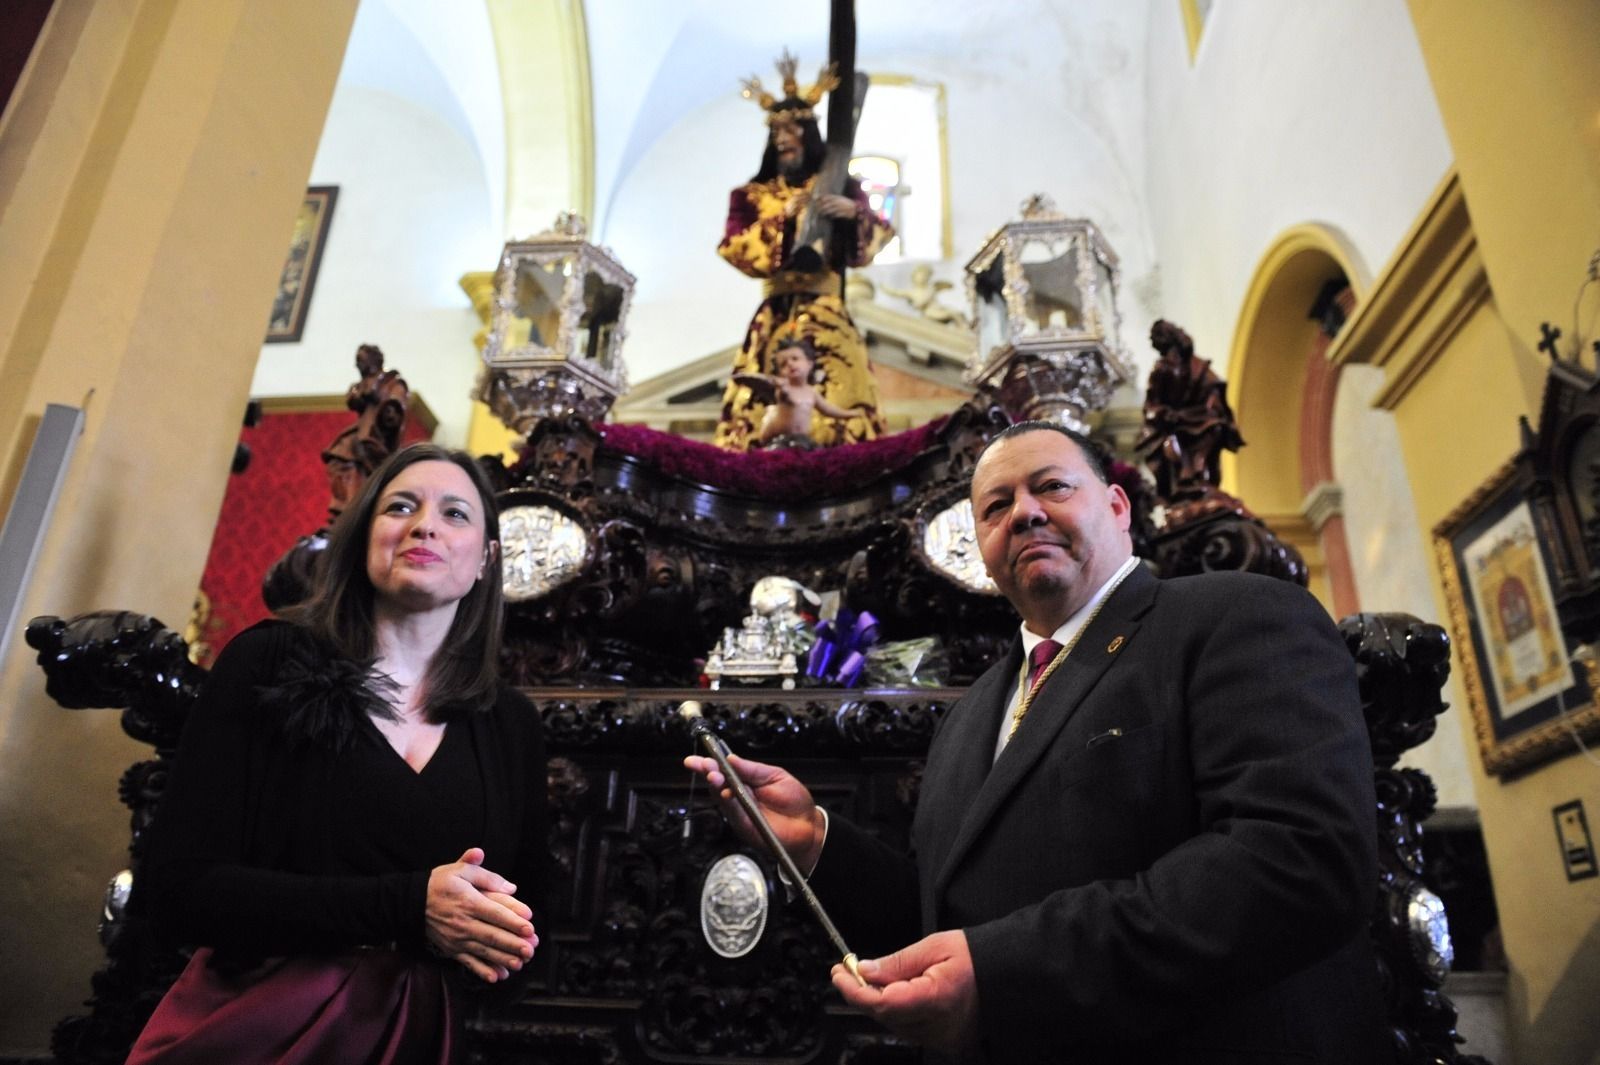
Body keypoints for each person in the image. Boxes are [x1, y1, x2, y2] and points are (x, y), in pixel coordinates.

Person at [687, 421, 1382, 1064]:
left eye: (1051, 485)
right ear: (983, 551)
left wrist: (1000, 973)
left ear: (1117, 506)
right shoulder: (970, 714)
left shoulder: (1236, 616)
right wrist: (813, 841)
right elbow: (949, 914)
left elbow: (1297, 859)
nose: (1023, 512)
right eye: (995, 507)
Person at [129, 443, 546, 1064]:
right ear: (363, 538)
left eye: (455, 513)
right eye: (400, 506)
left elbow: (529, 925)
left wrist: (495, 943)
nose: (424, 524)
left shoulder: (509, 722)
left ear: (485, 561)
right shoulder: (265, 662)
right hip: (257, 1026)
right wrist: (408, 907)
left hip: (420, 1036)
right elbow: (175, 890)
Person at [713, 52, 893, 451]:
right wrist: (781, 223)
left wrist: (854, 214)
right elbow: (732, 247)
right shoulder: (750, 195)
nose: (783, 140)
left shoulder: (837, 184)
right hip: (773, 312)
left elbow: (878, 236)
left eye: (793, 131)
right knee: (754, 406)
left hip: (827, 305)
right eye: (777, 134)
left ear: (809, 135)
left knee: (846, 391)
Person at [737, 337, 870, 447]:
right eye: (783, 364)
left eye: (795, 359)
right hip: (783, 441)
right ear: (780, 373)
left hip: (803, 440)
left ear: (809, 364)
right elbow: (786, 397)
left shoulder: (811, 392)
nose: (790, 364)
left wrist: (851, 413)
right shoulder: (784, 389)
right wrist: (782, 388)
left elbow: (827, 409)